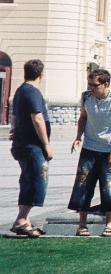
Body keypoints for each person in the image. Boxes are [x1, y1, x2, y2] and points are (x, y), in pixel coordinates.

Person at [68, 68, 111, 237]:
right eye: (89, 84)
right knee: (83, 185)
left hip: (110, 150)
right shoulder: (86, 97)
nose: (90, 88)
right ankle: (82, 224)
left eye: (94, 85)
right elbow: (83, 117)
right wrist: (78, 136)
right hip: (89, 149)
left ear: (105, 84)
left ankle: (110, 224)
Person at [8, 59, 53, 238]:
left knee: (27, 180)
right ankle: (21, 219)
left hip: (22, 143)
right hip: (32, 145)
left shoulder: (20, 91)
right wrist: (47, 144)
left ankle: (24, 220)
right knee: (37, 180)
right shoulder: (33, 92)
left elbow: (14, 116)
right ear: (41, 75)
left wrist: (15, 130)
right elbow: (37, 118)